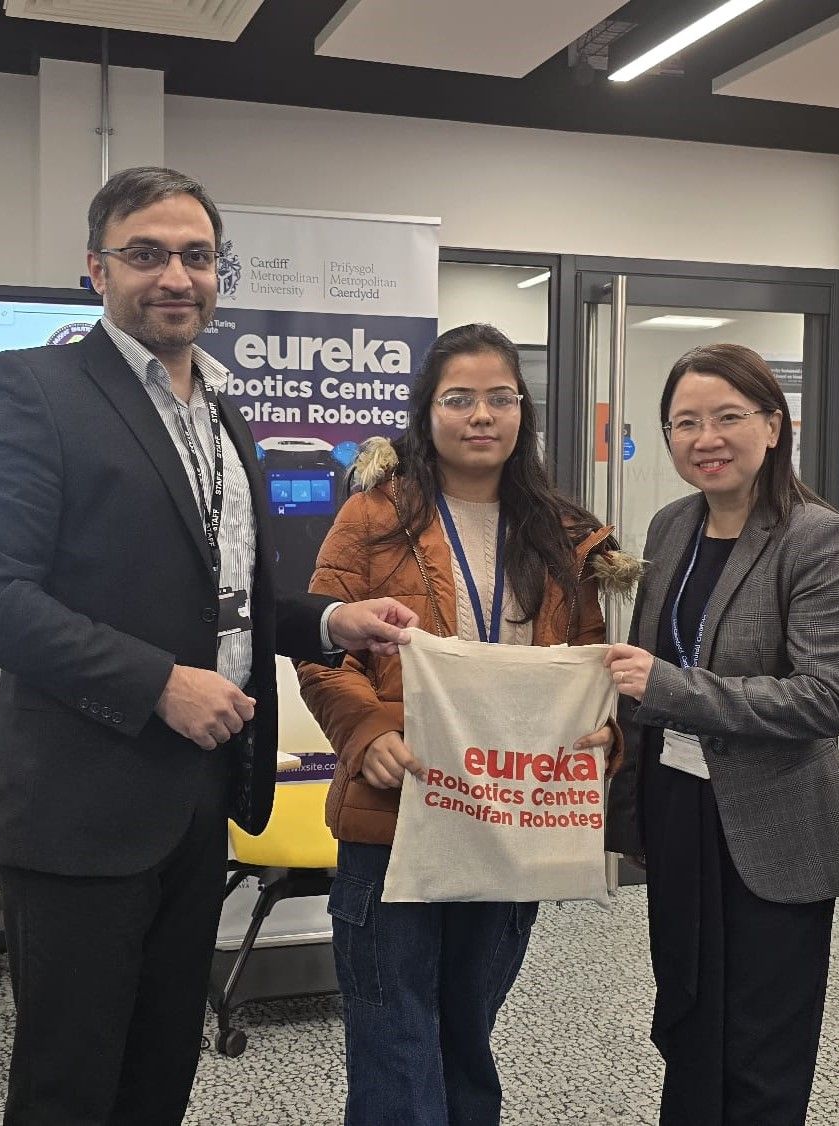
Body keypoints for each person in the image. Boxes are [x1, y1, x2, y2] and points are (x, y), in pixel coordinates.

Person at [0, 166, 417, 1126]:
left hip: (196, 797)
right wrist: (157, 684)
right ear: (94, 270)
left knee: (160, 1071)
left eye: (196, 256)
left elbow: (219, 602)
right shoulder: (33, 387)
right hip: (79, 805)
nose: (175, 277)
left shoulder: (221, 409)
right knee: (70, 1086)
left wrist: (329, 620)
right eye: (145, 254)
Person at [297, 323, 639, 1126]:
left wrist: (605, 734)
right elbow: (322, 649)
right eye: (458, 399)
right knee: (393, 1039)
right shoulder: (372, 517)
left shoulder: (562, 533)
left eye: (499, 398)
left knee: (467, 1035)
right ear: (426, 412)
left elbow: (591, 664)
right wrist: (366, 732)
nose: (480, 415)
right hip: (397, 812)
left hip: (509, 819)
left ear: (522, 412)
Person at [602, 343, 839, 1126]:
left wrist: (668, 687)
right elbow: (648, 669)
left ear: (773, 424)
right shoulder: (672, 524)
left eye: (727, 417)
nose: (705, 438)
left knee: (760, 1048)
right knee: (686, 1021)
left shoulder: (818, 540)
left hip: (774, 829)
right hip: (679, 812)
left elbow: (823, 700)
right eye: (684, 422)